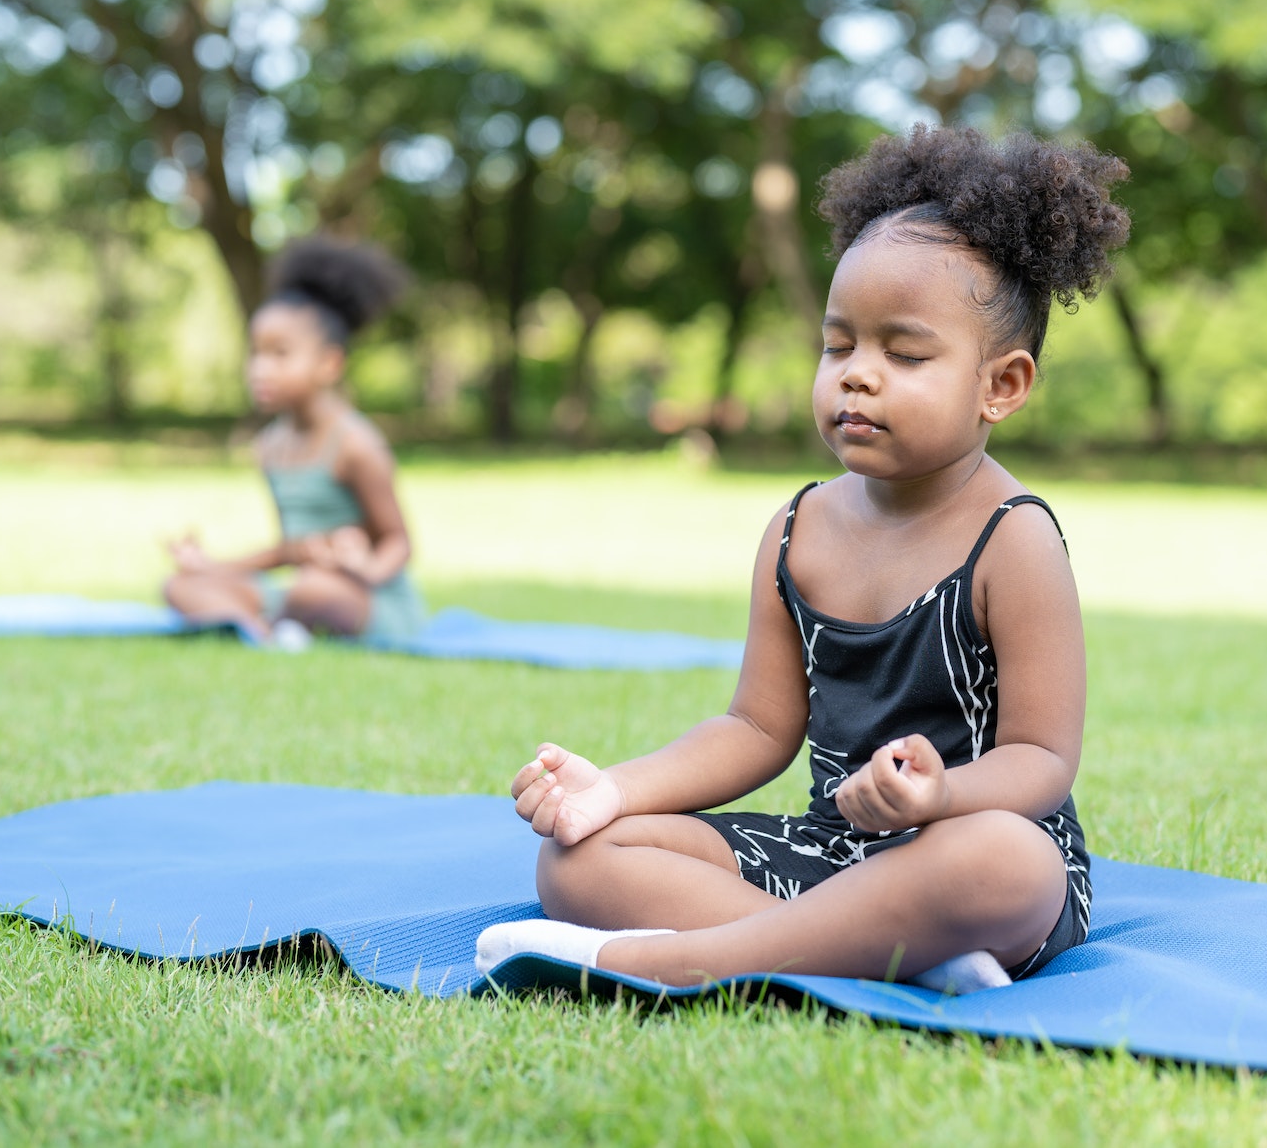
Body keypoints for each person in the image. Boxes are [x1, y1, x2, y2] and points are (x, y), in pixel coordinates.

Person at [475, 126, 1128, 991]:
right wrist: (615, 790)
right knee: (579, 856)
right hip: (834, 851)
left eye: (905, 352)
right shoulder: (797, 527)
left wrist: (936, 798)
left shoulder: (1015, 537)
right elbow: (756, 729)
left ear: (999, 386)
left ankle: (681, 959)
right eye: (839, 345)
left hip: (971, 844)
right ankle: (888, 955)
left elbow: (1041, 761)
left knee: (1008, 860)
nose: (858, 375)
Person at [164, 237, 428, 650]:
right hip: (301, 584)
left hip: (364, 594)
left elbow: (399, 542)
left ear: (330, 364)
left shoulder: (356, 445)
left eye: (280, 354)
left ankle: (278, 625)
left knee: (314, 591)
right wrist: (212, 566)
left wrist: (363, 569)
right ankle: (261, 631)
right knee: (181, 586)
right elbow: (290, 550)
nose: (260, 370)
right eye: (255, 354)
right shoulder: (269, 446)